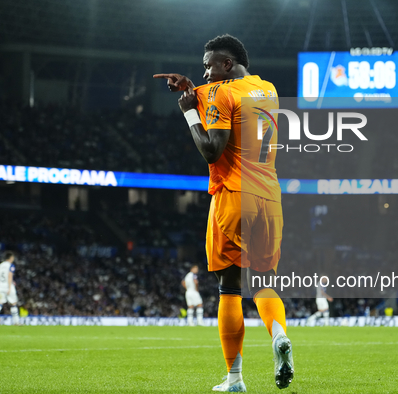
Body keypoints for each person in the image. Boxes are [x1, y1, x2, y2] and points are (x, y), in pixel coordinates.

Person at [154, 34, 293, 391]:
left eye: (208, 66)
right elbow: (232, 95)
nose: (205, 73)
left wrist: (189, 112)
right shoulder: (267, 89)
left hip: (234, 195)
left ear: (226, 64)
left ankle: (234, 379)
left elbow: (212, 150)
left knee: (229, 289)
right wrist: (196, 89)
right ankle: (278, 335)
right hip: (270, 198)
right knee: (264, 282)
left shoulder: (221, 93)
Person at [0, 251, 21, 326]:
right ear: (11, 258)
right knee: (13, 303)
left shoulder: (0, 265)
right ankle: (16, 322)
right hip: (8, 286)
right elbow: (9, 276)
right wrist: (9, 287)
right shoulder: (11, 265)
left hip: (0, 287)